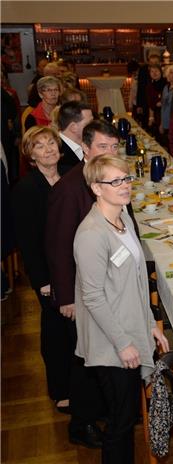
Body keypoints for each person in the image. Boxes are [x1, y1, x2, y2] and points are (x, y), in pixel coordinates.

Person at [74, 154, 168, 463]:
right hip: (110, 340)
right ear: (96, 188)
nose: (125, 185)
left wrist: (150, 321)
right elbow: (93, 297)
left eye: (126, 178)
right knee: (120, 421)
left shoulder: (123, 217)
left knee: (127, 418)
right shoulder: (91, 234)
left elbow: (138, 280)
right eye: (115, 181)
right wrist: (123, 342)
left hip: (130, 328)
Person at [46, 120, 122, 449]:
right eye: (102, 147)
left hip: (105, 286)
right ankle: (82, 422)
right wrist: (65, 297)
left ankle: (103, 410)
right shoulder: (70, 187)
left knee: (99, 355)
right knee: (85, 358)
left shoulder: (107, 180)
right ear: (86, 149)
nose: (110, 153)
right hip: (82, 291)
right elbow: (58, 246)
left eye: (114, 147)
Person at [12, 126, 71, 414]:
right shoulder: (26, 189)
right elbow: (28, 241)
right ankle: (60, 388)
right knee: (55, 330)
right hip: (48, 272)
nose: (48, 149)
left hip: (77, 266)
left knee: (75, 329)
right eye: (40, 146)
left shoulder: (72, 177)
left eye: (51, 143)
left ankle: (80, 383)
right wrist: (43, 281)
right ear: (30, 154)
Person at [57, 101, 93, 170]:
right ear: (73, 127)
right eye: (89, 123)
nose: (94, 126)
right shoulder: (57, 152)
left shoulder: (88, 143)